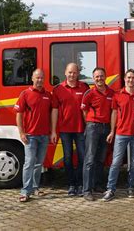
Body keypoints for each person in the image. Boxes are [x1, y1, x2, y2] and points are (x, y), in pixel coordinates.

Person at [102, 69, 134, 202]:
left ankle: (131, 187)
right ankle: (110, 189)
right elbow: (114, 114)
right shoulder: (118, 95)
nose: (130, 80)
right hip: (121, 133)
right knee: (115, 163)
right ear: (124, 79)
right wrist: (112, 131)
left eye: (133, 77)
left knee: (133, 163)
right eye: (128, 77)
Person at [15, 69, 53, 203]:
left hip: (44, 136)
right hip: (30, 136)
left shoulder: (48, 95)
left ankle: (35, 188)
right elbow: (19, 114)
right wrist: (21, 132)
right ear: (32, 78)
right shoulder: (25, 94)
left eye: (42, 78)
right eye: (37, 78)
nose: (40, 80)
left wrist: (51, 132)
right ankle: (25, 191)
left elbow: (52, 114)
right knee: (29, 163)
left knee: (39, 164)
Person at [51, 63, 89, 197]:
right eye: (70, 72)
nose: (72, 75)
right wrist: (54, 131)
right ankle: (71, 184)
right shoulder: (58, 89)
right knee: (67, 159)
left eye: (74, 72)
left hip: (81, 129)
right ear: (65, 73)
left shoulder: (84, 87)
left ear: (78, 73)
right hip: (65, 130)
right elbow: (54, 110)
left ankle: (80, 184)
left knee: (82, 157)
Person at [80, 67, 114, 201]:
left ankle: (97, 185)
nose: (99, 78)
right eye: (97, 77)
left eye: (101, 76)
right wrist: (89, 124)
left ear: (105, 77)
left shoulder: (111, 92)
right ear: (93, 78)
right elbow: (84, 111)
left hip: (106, 128)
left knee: (101, 159)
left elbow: (113, 112)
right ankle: (86, 190)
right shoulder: (89, 93)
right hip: (93, 127)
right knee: (89, 159)